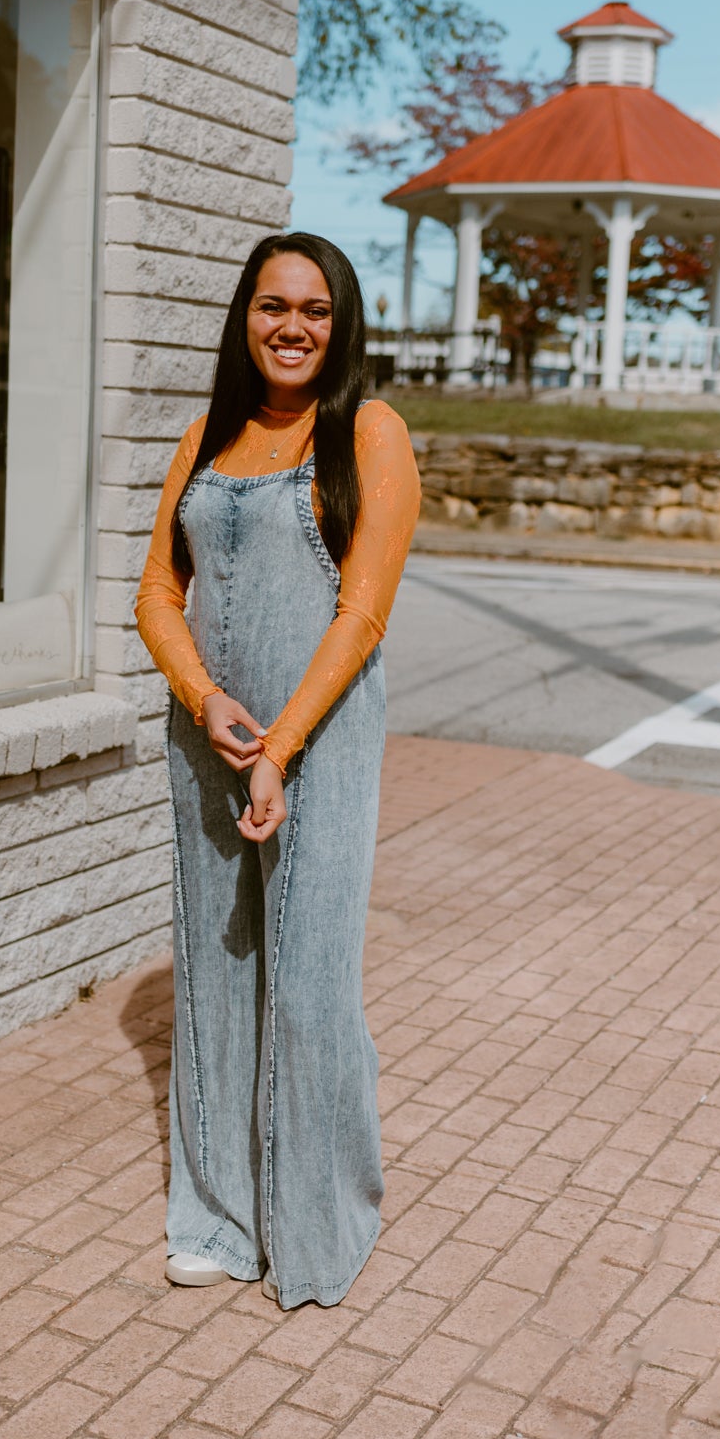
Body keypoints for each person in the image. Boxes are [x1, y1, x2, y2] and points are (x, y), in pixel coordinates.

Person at [135, 233, 420, 1310]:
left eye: (313, 308)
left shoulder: (370, 431)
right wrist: (205, 699)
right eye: (271, 306)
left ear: (339, 323)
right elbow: (158, 593)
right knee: (215, 980)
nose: (290, 326)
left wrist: (282, 746)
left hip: (322, 738)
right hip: (209, 739)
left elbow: (361, 611)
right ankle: (216, 1216)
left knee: (305, 986)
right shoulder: (208, 432)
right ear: (243, 317)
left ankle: (317, 1216)